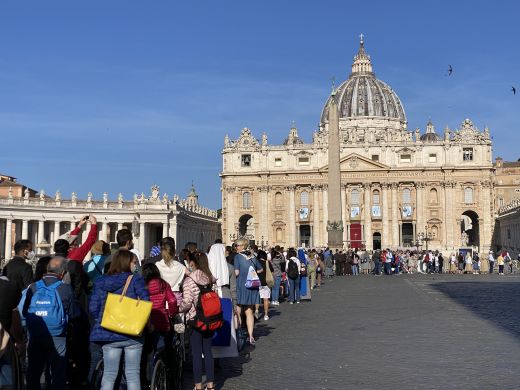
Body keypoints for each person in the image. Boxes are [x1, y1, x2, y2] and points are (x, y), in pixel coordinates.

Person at [89, 249, 150, 390]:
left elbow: (93, 308)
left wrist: (104, 319)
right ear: (127, 263)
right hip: (132, 333)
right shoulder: (136, 280)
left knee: (109, 375)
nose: (135, 265)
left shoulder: (100, 281)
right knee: (132, 375)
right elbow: (146, 303)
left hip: (108, 332)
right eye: (134, 262)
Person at [23, 256, 77, 390]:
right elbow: (73, 313)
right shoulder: (65, 288)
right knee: (57, 373)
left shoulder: (34, 287)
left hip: (36, 334)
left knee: (34, 371)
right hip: (57, 334)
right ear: (63, 272)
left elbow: (25, 311)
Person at [179, 252, 217, 390]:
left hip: (196, 320)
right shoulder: (210, 278)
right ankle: (211, 385)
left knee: (196, 353)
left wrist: (179, 309)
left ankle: (198, 385)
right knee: (208, 351)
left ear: (193, 263)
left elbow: (187, 302)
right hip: (210, 318)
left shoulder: (190, 280)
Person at [141, 263, 178, 387]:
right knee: (162, 349)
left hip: (145, 322)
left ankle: (143, 379)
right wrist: (171, 314)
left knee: (144, 352)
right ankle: (165, 374)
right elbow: (172, 300)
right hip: (161, 321)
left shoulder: (142, 285)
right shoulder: (163, 284)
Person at [233, 238, 263, 345]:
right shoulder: (252, 256)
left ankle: (238, 334)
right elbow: (260, 269)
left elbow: (236, 272)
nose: (235, 247)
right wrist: (251, 273)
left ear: (242, 246)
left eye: (237, 245)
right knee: (249, 312)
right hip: (252, 286)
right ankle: (251, 336)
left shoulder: (237, 257)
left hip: (241, 285)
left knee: (238, 311)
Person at [0, 275, 23, 389]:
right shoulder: (10, 287)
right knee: (8, 380)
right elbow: (15, 318)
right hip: (5, 339)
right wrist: (19, 340)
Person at [155, 237, 186, 303]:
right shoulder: (181, 266)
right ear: (174, 252)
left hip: (162, 298)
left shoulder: (157, 265)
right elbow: (192, 275)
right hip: (176, 299)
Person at [256, 250, 274, 320]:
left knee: (257, 299)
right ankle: (266, 315)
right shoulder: (267, 263)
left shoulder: (256, 263)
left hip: (257, 283)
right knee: (266, 299)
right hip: (266, 283)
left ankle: (256, 311)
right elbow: (272, 272)